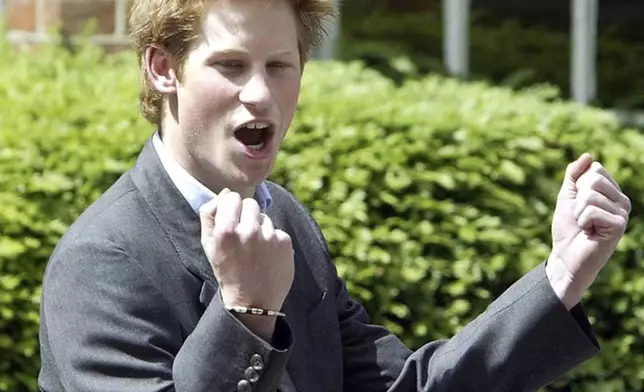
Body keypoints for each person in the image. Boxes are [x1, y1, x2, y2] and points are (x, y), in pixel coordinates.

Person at [37, 0, 631, 391]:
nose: (260, 95)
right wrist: (247, 311)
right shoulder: (101, 262)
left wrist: (563, 274)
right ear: (164, 68)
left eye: (279, 66)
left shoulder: (284, 219)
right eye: (231, 65)